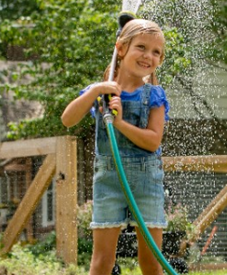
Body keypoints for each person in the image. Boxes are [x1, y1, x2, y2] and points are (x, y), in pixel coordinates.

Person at [60, 18, 170, 275]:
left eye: (156, 52)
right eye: (141, 47)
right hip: (109, 180)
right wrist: (96, 89)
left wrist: (119, 123)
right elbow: (67, 120)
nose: (148, 56)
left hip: (146, 182)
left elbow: (153, 141)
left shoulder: (154, 95)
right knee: (101, 262)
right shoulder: (101, 92)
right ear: (120, 49)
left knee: (151, 262)